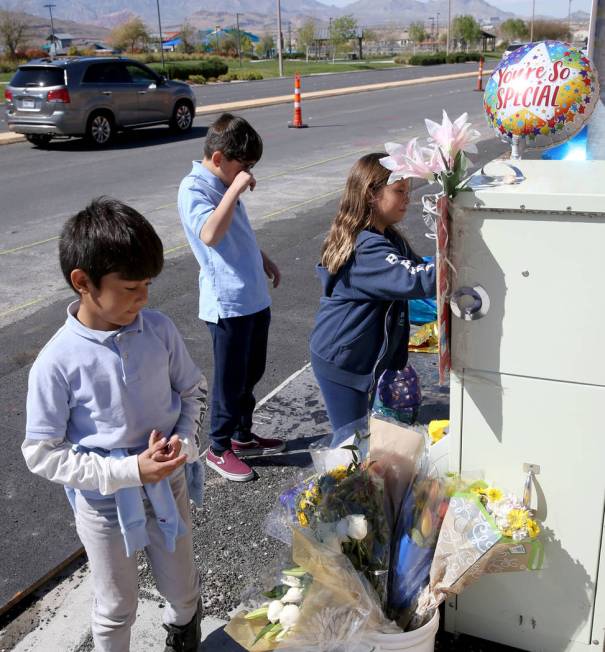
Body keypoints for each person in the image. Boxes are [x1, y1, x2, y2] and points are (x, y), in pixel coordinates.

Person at [22, 198, 207, 652]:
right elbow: (41, 452)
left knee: (182, 588)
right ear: (82, 282)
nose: (143, 299)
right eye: (130, 288)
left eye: (148, 285)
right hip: (104, 507)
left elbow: (194, 390)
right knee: (114, 607)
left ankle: (184, 629)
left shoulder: (158, 330)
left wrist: (183, 443)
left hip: (170, 484)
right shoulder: (56, 362)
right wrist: (127, 472)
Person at [178, 112, 285, 483]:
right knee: (229, 381)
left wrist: (263, 259)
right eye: (245, 165)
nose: (250, 173)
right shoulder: (194, 188)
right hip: (228, 304)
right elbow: (210, 234)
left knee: (251, 373)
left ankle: (241, 436)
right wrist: (236, 188)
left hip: (252, 295)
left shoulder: (225, 185)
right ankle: (219, 448)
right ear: (220, 158)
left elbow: (239, 234)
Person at [310, 153, 437, 432]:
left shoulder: (388, 238)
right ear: (371, 194)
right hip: (342, 360)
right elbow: (415, 280)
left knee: (360, 434)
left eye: (408, 191)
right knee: (350, 440)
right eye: (399, 191)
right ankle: (337, 474)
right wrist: (457, 261)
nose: (408, 198)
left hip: (356, 356)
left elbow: (417, 267)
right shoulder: (366, 248)